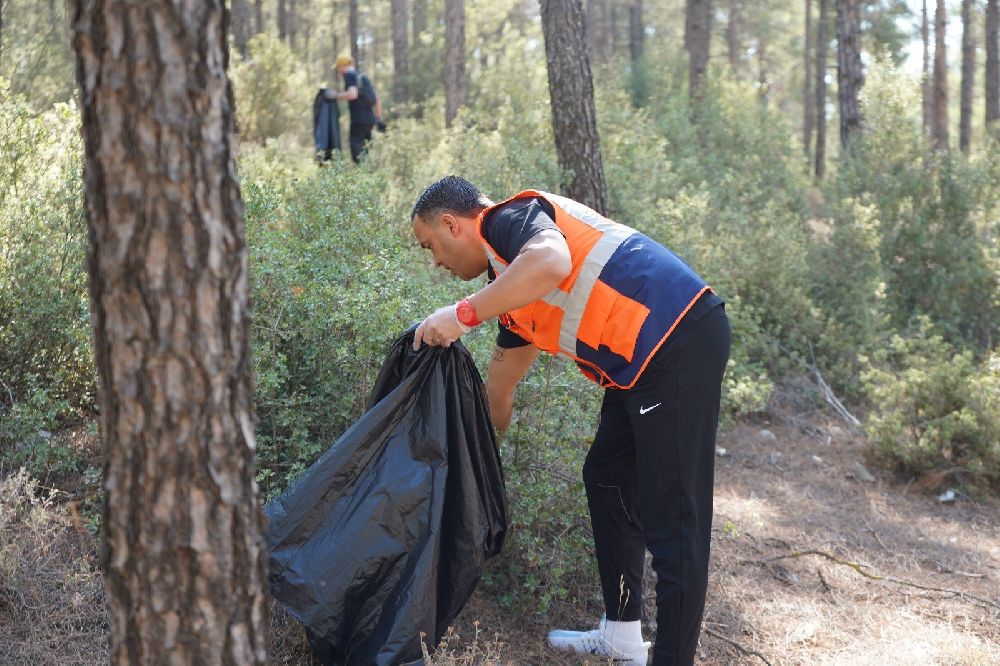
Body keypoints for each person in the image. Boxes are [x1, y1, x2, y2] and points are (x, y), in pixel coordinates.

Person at [410, 176, 731, 666]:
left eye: (430, 246)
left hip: (679, 339)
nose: (434, 262)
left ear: (453, 225)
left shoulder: (508, 220)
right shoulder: (510, 288)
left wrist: (461, 315)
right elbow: (500, 390)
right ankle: (621, 636)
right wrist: (478, 464)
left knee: (675, 519)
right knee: (606, 477)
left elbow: (552, 261)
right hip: (638, 364)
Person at [328, 55, 383, 163]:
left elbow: (353, 94)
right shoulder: (363, 76)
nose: (338, 71)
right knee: (366, 151)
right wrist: (379, 118)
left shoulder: (349, 75)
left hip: (358, 121)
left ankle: (362, 172)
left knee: (357, 154)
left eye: (338, 67)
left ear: (342, 66)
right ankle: (369, 171)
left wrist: (335, 96)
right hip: (370, 121)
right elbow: (377, 98)